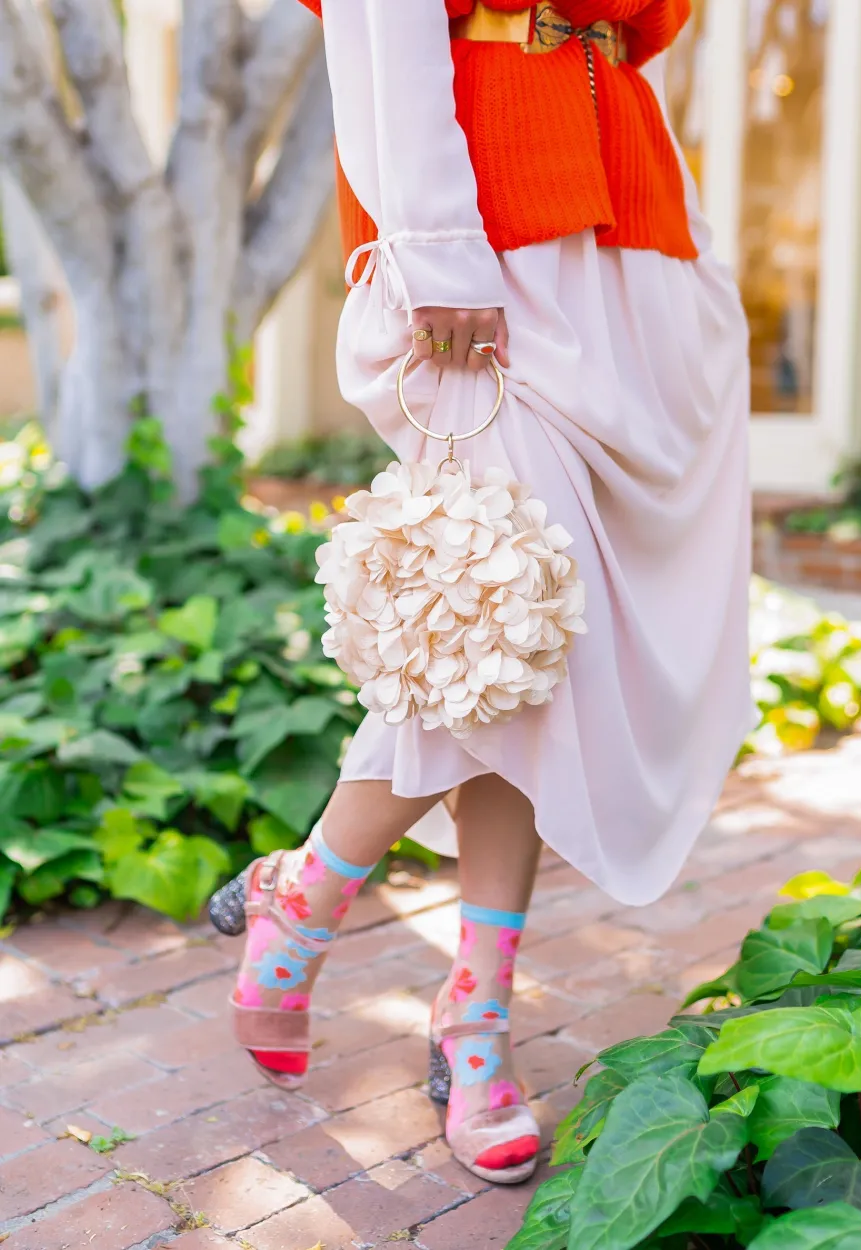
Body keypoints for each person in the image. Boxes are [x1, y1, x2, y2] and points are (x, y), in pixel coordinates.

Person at [210, 0, 754, 1186]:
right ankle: (327, 910)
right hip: (486, 242)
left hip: (628, 236)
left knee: (529, 643)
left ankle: (463, 995)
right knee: (492, 613)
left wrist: (692, 260)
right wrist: (435, 250)